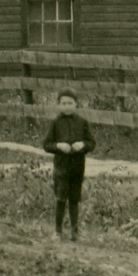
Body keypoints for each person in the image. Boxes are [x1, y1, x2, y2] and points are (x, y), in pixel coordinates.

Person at [43, 87, 96, 242]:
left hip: (77, 167)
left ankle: (74, 232)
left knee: (74, 199)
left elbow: (92, 143)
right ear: (59, 105)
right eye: (64, 103)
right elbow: (46, 144)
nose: (67, 106)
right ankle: (58, 232)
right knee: (61, 198)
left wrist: (83, 145)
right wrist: (58, 146)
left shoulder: (82, 122)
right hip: (61, 168)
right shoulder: (55, 123)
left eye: (70, 103)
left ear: (76, 104)